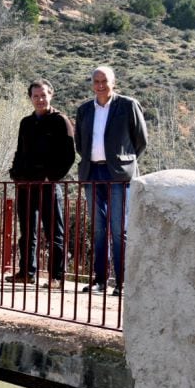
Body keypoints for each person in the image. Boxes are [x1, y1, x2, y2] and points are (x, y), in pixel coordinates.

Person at [74, 66, 148, 296]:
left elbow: (140, 141)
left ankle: (122, 282)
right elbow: (80, 143)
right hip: (92, 174)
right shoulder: (85, 109)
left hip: (118, 176)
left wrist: (123, 162)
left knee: (119, 230)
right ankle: (100, 281)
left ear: (113, 82)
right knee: (97, 230)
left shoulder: (127, 105)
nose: (100, 85)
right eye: (96, 80)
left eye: (104, 80)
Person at [6, 79, 75, 288]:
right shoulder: (25, 123)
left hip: (49, 186)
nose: (40, 99)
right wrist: (15, 175)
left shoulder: (60, 120)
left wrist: (51, 178)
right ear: (30, 98)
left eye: (43, 95)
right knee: (27, 231)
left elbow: (69, 155)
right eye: (35, 96)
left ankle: (56, 277)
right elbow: (19, 151)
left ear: (51, 94)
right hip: (26, 185)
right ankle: (26, 272)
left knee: (55, 231)